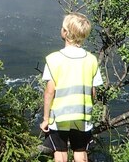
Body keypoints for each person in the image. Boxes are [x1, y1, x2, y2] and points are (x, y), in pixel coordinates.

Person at [39, 12, 103, 162]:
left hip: (59, 115)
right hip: (82, 116)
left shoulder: (54, 59)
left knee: (60, 151)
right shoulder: (91, 60)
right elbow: (93, 92)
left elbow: (49, 92)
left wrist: (45, 118)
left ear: (66, 32)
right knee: (80, 151)